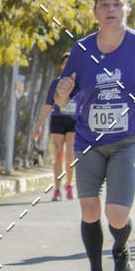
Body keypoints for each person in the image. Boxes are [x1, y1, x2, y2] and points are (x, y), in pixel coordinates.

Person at [55, 0, 135, 271]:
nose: (111, 9)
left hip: (127, 140)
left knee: (116, 216)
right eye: (104, 4)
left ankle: (121, 247)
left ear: (127, 10)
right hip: (88, 139)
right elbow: (65, 99)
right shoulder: (81, 50)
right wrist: (62, 95)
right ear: (95, 12)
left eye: (117, 4)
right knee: (89, 210)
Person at [33, 52, 76, 201]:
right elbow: (47, 105)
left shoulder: (80, 83)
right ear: (62, 65)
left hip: (74, 121)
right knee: (58, 154)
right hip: (58, 119)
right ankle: (57, 189)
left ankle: (69, 184)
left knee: (70, 155)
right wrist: (38, 126)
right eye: (65, 63)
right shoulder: (56, 83)